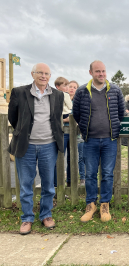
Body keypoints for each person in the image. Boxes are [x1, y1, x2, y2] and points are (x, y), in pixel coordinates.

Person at [8, 63, 64, 234]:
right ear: (32, 74)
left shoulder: (58, 95)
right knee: (26, 184)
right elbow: (13, 117)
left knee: (48, 185)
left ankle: (46, 215)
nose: (43, 76)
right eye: (40, 72)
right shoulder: (19, 92)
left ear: (50, 76)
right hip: (27, 145)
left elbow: (56, 118)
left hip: (49, 145)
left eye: (47, 73)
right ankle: (26, 218)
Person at [73, 60, 125, 223]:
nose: (101, 74)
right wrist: (85, 128)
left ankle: (104, 204)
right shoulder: (82, 91)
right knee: (90, 174)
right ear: (91, 73)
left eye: (103, 71)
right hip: (90, 140)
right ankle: (90, 205)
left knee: (107, 174)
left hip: (109, 140)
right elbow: (76, 112)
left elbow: (121, 112)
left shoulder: (115, 90)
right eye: (97, 71)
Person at [54, 77, 72, 187]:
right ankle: (65, 182)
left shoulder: (53, 95)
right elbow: (70, 106)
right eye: (65, 85)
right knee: (65, 157)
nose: (67, 88)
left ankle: (57, 184)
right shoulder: (64, 95)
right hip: (65, 124)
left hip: (60, 124)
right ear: (58, 86)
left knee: (62, 157)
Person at [68, 80, 85, 186]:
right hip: (66, 132)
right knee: (69, 157)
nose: (72, 89)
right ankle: (69, 180)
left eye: (75, 87)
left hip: (79, 132)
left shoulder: (79, 101)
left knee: (81, 157)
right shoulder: (63, 101)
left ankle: (82, 178)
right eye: (70, 86)